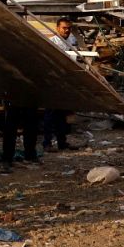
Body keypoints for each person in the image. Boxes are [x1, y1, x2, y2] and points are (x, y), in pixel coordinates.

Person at [42, 18, 79, 150]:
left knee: (62, 114)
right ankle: (47, 143)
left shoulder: (71, 41)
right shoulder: (53, 42)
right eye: (64, 28)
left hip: (66, 80)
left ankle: (62, 142)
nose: (67, 30)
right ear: (58, 28)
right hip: (53, 81)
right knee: (50, 114)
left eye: (69, 28)